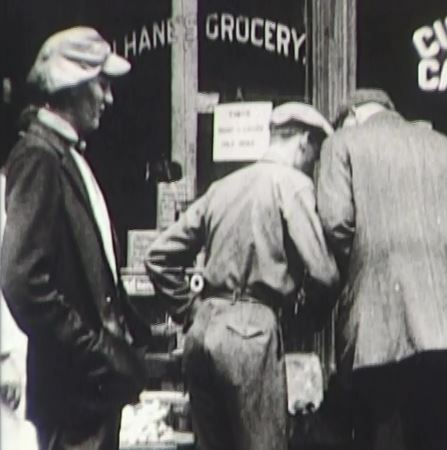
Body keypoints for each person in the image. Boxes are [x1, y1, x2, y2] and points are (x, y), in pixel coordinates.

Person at [145, 102, 339, 450]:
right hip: (253, 332)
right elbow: (324, 275)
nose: (314, 164)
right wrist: (305, 324)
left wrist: (191, 311)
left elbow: (158, 257)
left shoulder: (223, 186)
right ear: (303, 142)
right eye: (315, 154)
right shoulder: (293, 184)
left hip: (203, 332)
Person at [317, 88, 447, 450]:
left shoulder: (342, 143)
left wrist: (366, 274)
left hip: (381, 332)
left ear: (351, 115)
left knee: (386, 437)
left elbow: (336, 224)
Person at [0, 27, 150, 450]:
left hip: (85, 401)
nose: (109, 97)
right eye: (101, 84)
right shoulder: (38, 160)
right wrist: (96, 354)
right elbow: (23, 280)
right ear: (72, 86)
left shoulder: (62, 156)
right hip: (73, 404)